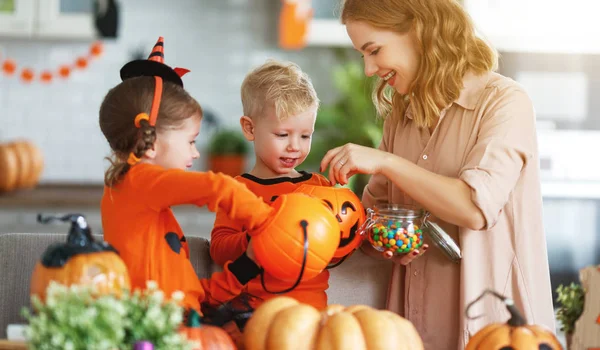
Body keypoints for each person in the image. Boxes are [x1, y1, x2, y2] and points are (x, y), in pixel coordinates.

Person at [319, 0, 556, 348]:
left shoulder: (504, 103)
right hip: (412, 328)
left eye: (374, 50)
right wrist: (378, 237)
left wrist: (386, 162)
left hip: (497, 332)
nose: (369, 69)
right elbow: (371, 222)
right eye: (362, 55)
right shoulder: (402, 117)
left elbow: (474, 208)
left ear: (418, 30)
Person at [99, 37, 277, 313]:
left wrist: (246, 267)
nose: (195, 153)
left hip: (181, 321)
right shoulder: (138, 181)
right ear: (153, 142)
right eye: (191, 141)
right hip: (162, 330)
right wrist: (269, 223)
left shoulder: (136, 196)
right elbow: (216, 187)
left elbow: (189, 293)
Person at [210, 60, 332, 309]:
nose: (294, 146)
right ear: (250, 128)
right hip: (253, 313)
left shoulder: (320, 188)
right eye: (282, 135)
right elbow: (219, 249)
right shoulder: (237, 190)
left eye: (305, 135)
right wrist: (260, 239)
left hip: (311, 314)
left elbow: (337, 246)